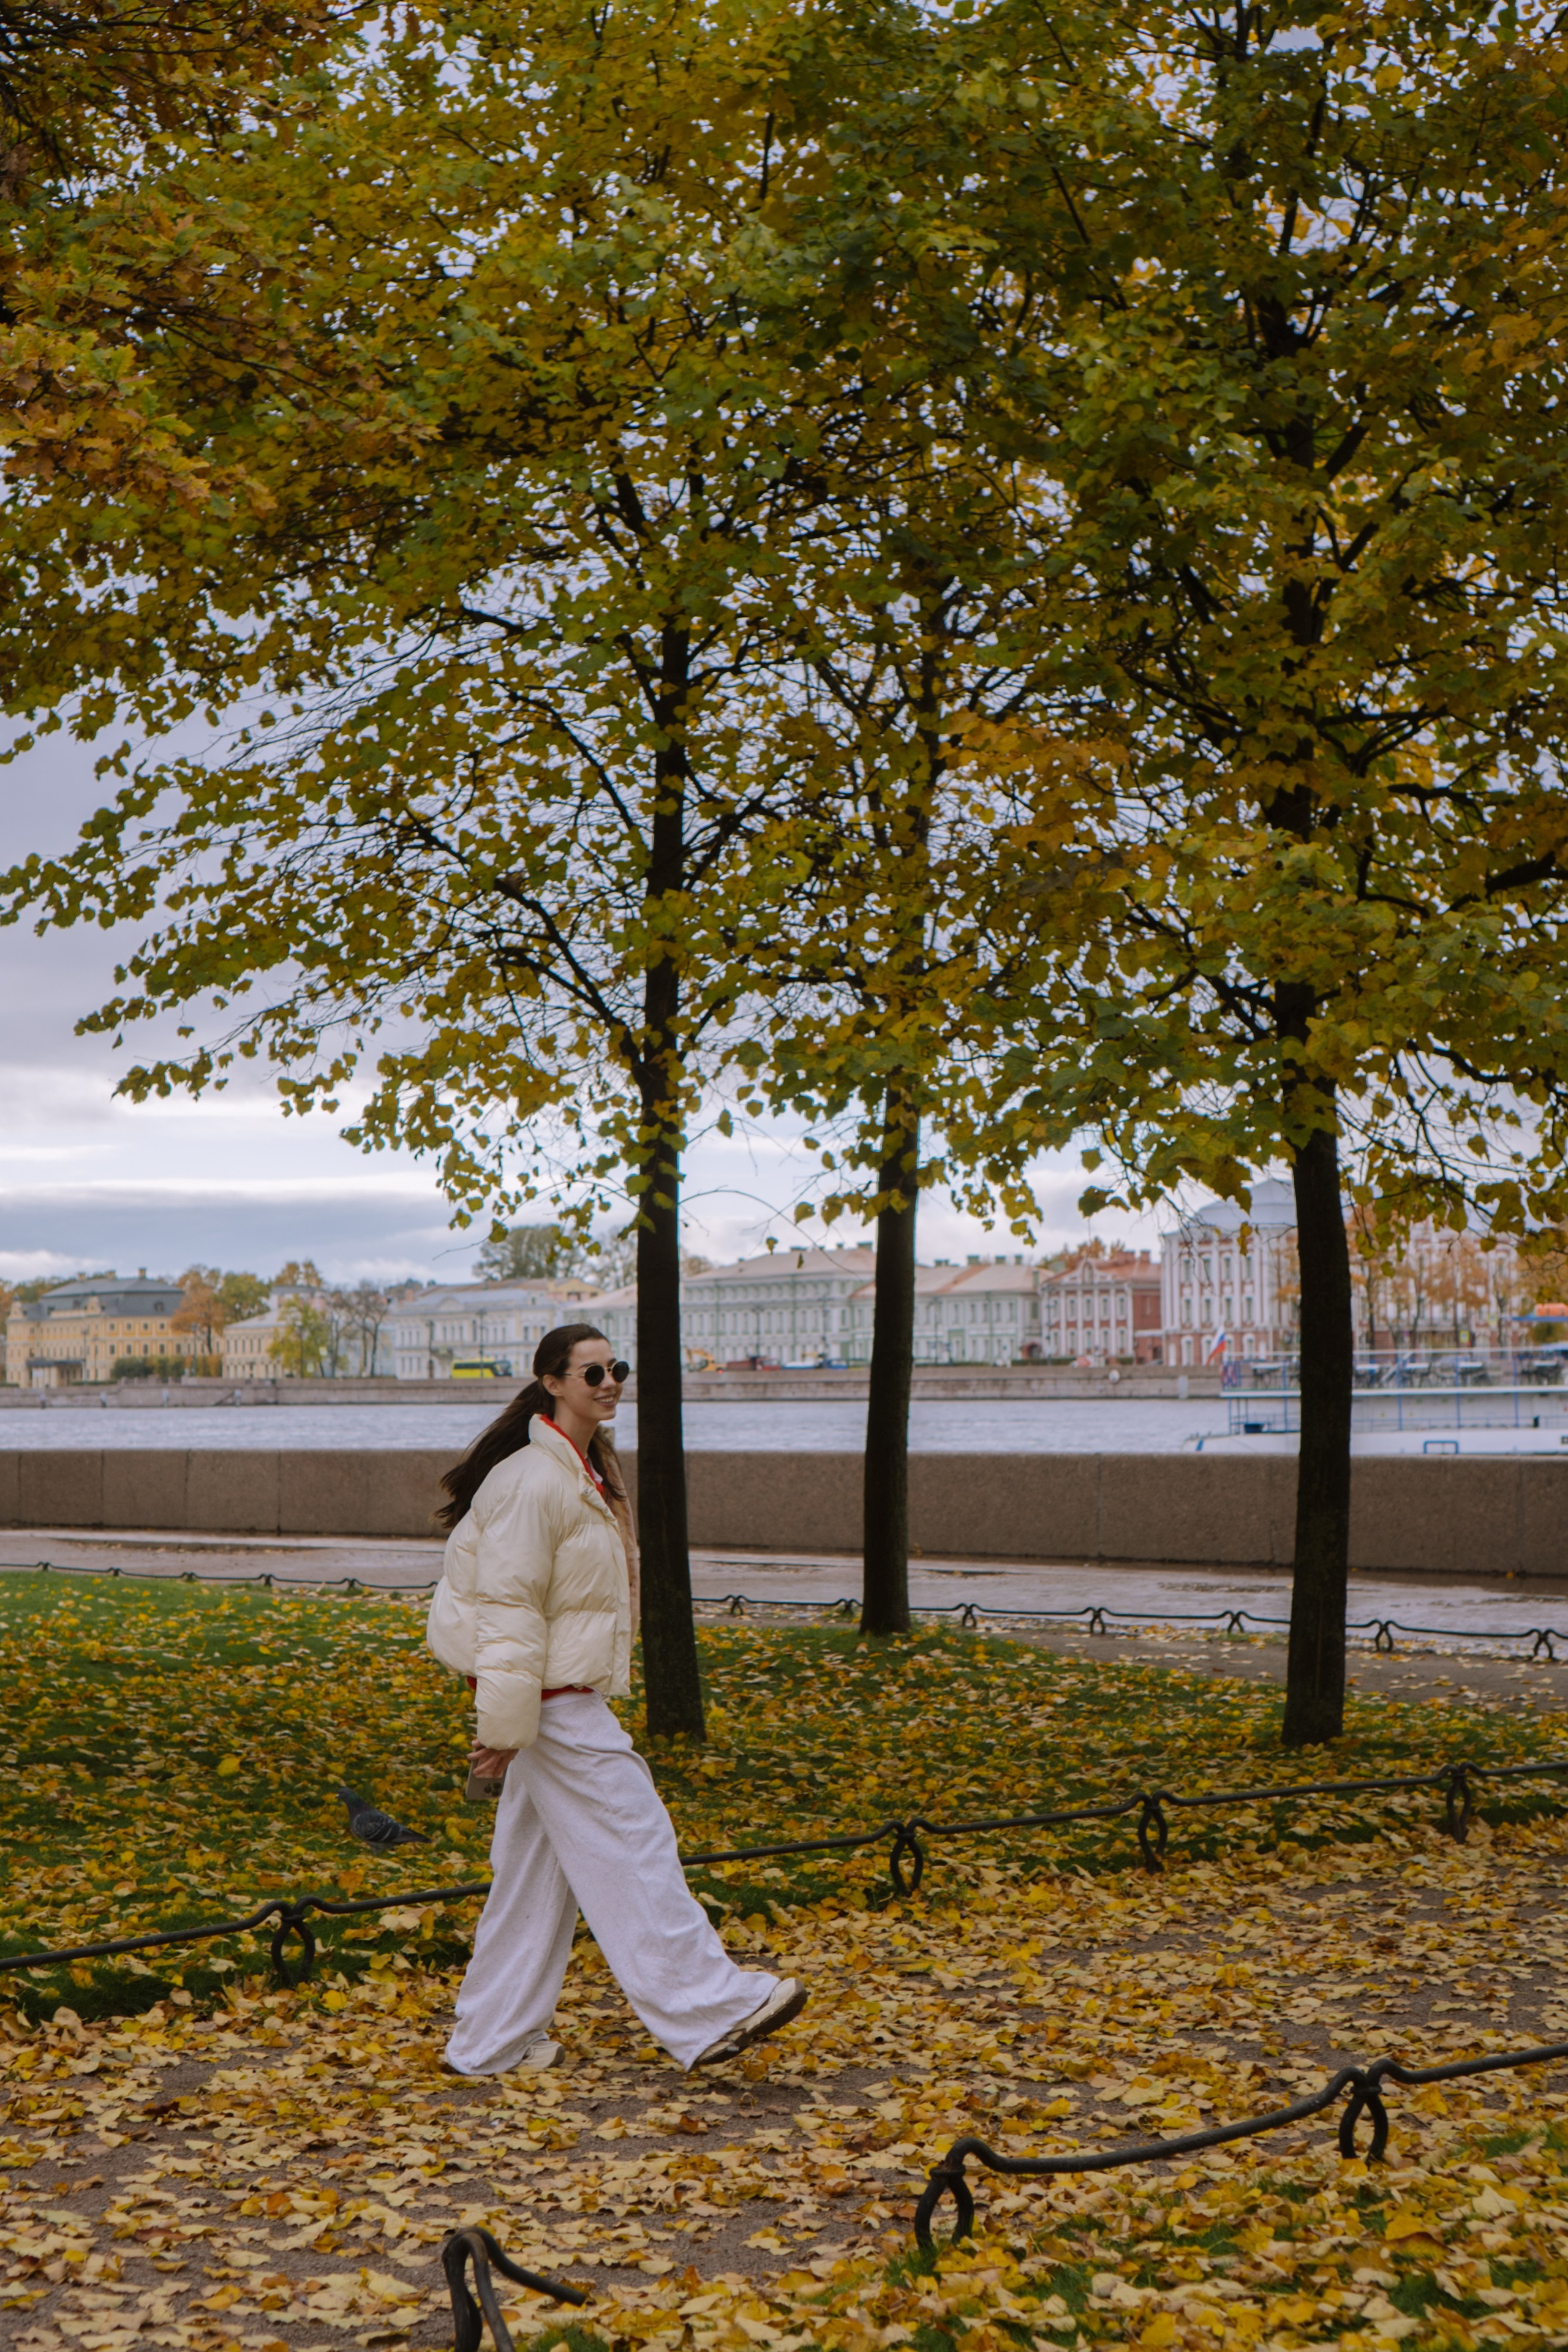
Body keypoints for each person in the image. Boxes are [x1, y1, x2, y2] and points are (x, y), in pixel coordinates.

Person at [426, 1322, 807, 2076]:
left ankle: (488, 2043)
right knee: (635, 1836)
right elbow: (508, 1612)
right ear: (552, 1383)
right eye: (592, 1373)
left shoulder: (583, 1471)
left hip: (551, 1695)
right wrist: (504, 1728)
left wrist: (510, 1724)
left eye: (617, 1368)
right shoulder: (534, 1480)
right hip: (552, 1700)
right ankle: (709, 2008)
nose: (610, 1384)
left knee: (533, 1877)